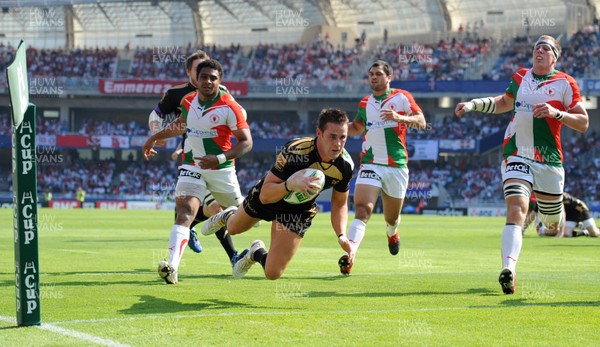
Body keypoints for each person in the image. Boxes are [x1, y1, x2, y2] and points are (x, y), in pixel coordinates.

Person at [455, 35, 589, 294]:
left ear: (554, 57)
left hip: (549, 160)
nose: (539, 50)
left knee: (551, 227)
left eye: (545, 48)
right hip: (517, 153)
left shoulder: (565, 83)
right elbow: (503, 103)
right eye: (536, 47)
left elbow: (583, 123)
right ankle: (509, 269)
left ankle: (548, 220)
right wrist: (473, 104)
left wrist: (556, 113)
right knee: (517, 208)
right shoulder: (520, 77)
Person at [201, 108, 354, 280]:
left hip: (298, 210)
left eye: (343, 137)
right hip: (274, 193)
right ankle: (228, 214)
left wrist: (341, 235)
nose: (338, 144)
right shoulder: (296, 150)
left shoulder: (345, 166)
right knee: (233, 228)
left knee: (272, 273)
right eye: (332, 137)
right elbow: (265, 194)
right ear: (319, 133)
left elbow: (340, 203)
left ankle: (255, 253)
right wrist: (290, 185)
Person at [142, 58, 253, 284]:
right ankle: (172, 266)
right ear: (196, 79)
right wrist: (154, 138)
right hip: (191, 165)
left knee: (243, 220)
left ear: (219, 81)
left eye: (213, 78)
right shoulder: (188, 100)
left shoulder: (229, 106)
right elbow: (181, 124)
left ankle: (224, 222)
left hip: (222, 170)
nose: (208, 81)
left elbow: (246, 143)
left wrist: (219, 158)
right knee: (184, 211)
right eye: (204, 77)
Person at [339, 60, 426, 276]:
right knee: (362, 210)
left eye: (378, 74)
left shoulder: (402, 97)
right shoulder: (365, 103)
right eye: (371, 74)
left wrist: (399, 117)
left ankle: (392, 233)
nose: (373, 77)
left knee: (391, 218)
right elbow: (357, 128)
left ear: (389, 77)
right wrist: (338, 129)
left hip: (396, 166)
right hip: (370, 163)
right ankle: (350, 255)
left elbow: (422, 122)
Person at [524, 192, 599, 237]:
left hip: (580, 209)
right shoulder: (541, 201)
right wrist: (522, 230)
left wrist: (560, 233)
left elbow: (563, 214)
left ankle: (594, 228)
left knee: (594, 233)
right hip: (570, 215)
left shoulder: (558, 197)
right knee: (566, 234)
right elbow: (532, 215)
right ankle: (583, 230)